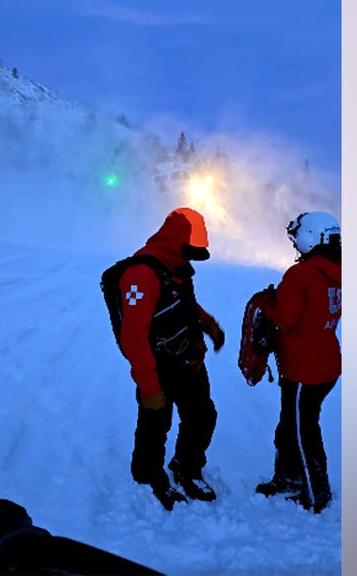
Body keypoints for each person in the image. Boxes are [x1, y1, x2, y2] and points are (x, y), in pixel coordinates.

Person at [117, 207, 226, 509]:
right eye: (190, 249)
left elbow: (183, 304)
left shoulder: (175, 267)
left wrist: (208, 324)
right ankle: (146, 477)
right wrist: (149, 386)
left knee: (203, 417)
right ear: (177, 240)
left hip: (190, 363)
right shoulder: (140, 274)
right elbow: (133, 337)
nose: (192, 256)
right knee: (155, 425)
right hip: (158, 368)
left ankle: (185, 467)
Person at [253, 211, 342, 513]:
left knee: (304, 430)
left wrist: (267, 302)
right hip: (325, 361)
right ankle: (287, 478)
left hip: (305, 369)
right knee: (290, 423)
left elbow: (286, 319)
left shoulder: (301, 274)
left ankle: (317, 492)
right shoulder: (337, 270)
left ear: (309, 238)